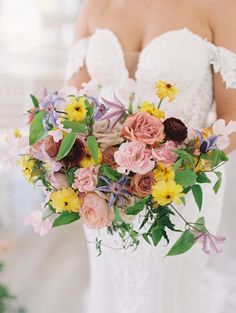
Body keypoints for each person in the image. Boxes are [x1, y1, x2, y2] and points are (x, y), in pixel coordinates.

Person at [66, 1, 236, 312]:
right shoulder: (96, 5)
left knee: (169, 294)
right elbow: (73, 105)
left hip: (181, 188)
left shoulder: (220, 6)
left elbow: (233, 116)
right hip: (103, 189)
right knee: (112, 284)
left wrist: (175, 167)